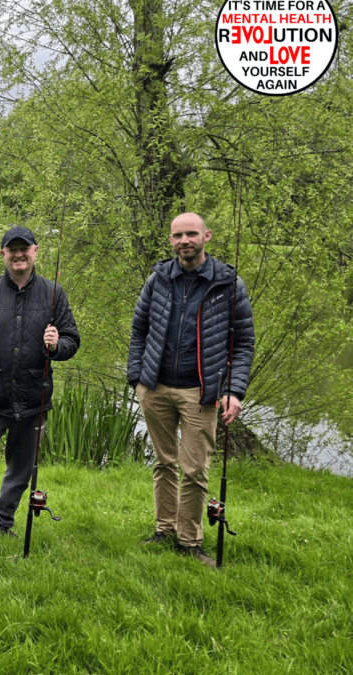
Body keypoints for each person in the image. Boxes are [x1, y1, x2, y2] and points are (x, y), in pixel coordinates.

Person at [129, 212, 255, 568]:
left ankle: (189, 541)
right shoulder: (157, 279)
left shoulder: (229, 284)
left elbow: (244, 342)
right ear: (170, 240)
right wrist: (136, 376)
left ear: (206, 236)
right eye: (177, 235)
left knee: (195, 468)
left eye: (191, 234)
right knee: (164, 462)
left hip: (201, 392)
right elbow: (138, 329)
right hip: (155, 387)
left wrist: (234, 390)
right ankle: (164, 530)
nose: (184, 240)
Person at [0, 225, 80, 551]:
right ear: (3, 253)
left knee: (20, 471)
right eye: (12, 249)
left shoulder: (54, 294)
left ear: (35, 251)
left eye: (25, 248)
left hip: (33, 399)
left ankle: (2, 522)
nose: (19, 254)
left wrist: (55, 347)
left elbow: (71, 341)